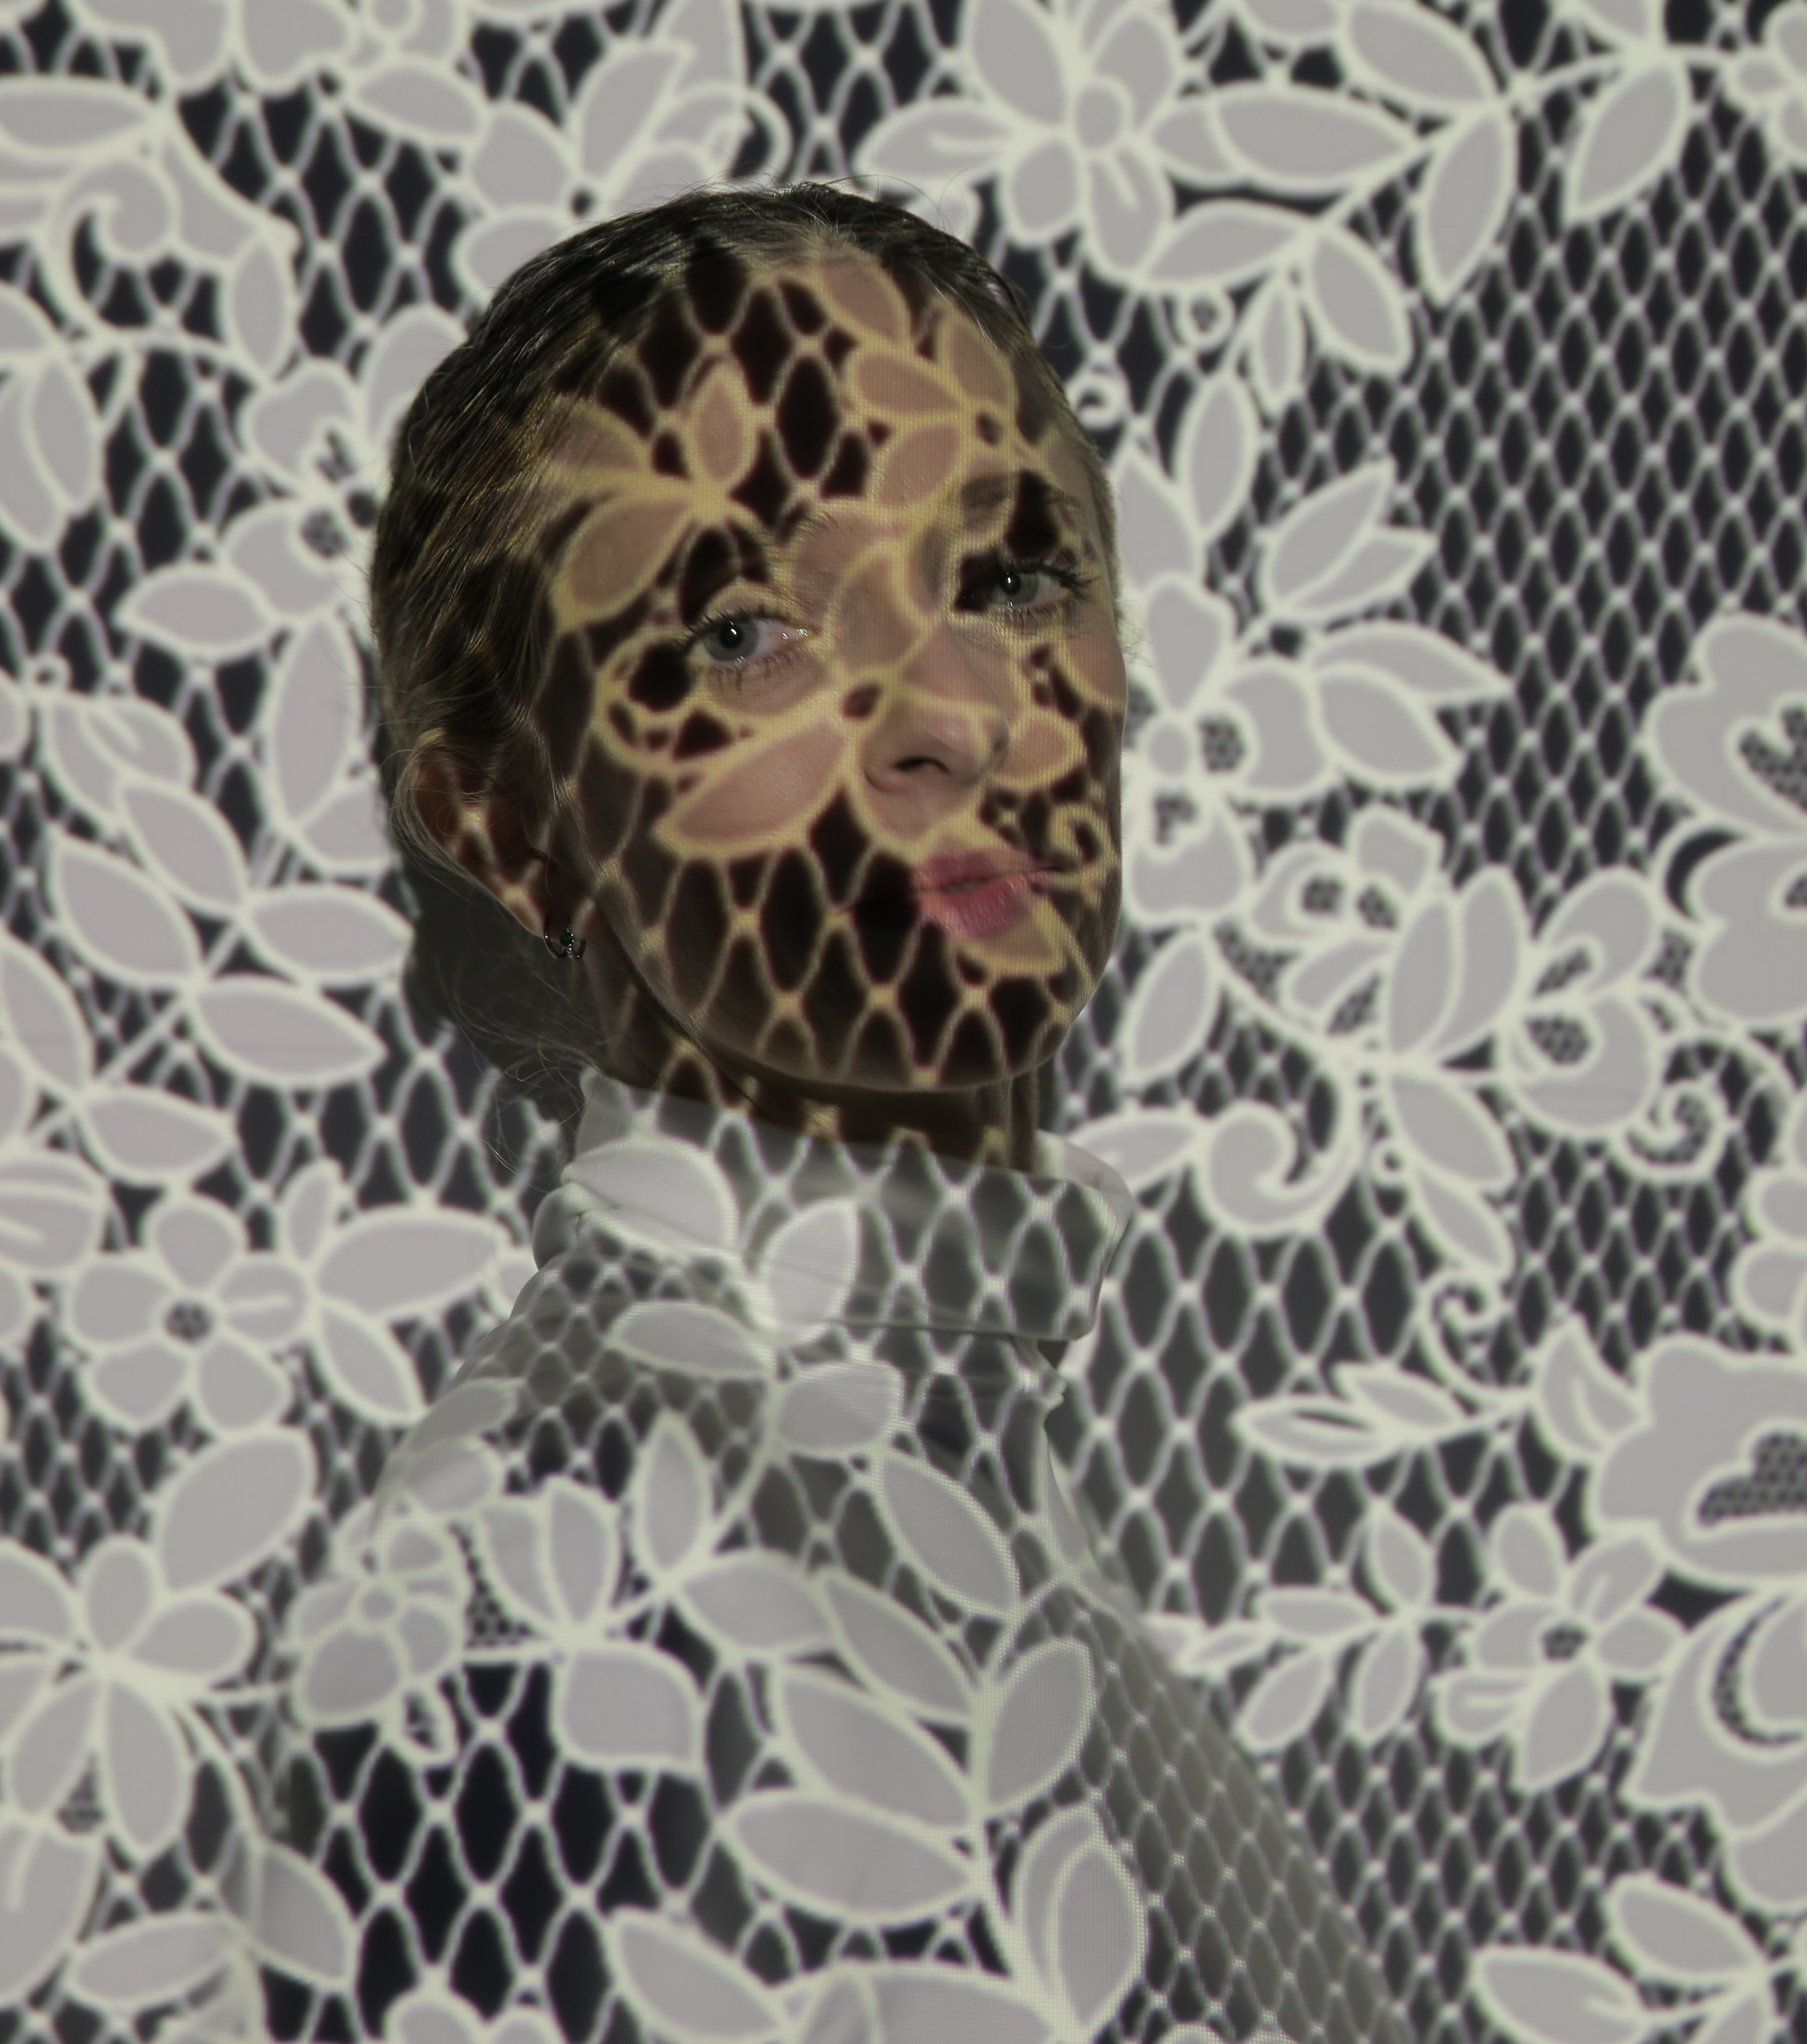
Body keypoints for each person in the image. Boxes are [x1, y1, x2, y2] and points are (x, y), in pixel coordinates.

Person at [257, 185, 1411, 2044]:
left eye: (1012, 575)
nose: (954, 712)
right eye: (744, 629)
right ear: (507, 826)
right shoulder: (564, 1571)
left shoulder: (931, 1433)